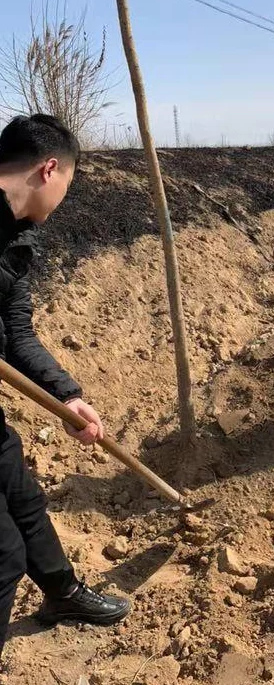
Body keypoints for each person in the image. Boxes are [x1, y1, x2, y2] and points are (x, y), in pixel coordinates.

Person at [0, 115, 130, 658]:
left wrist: (66, 395)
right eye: (67, 187)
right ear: (48, 169)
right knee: (2, 555)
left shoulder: (12, 241)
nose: (61, 201)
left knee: (22, 495)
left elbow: (17, 333)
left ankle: (62, 593)